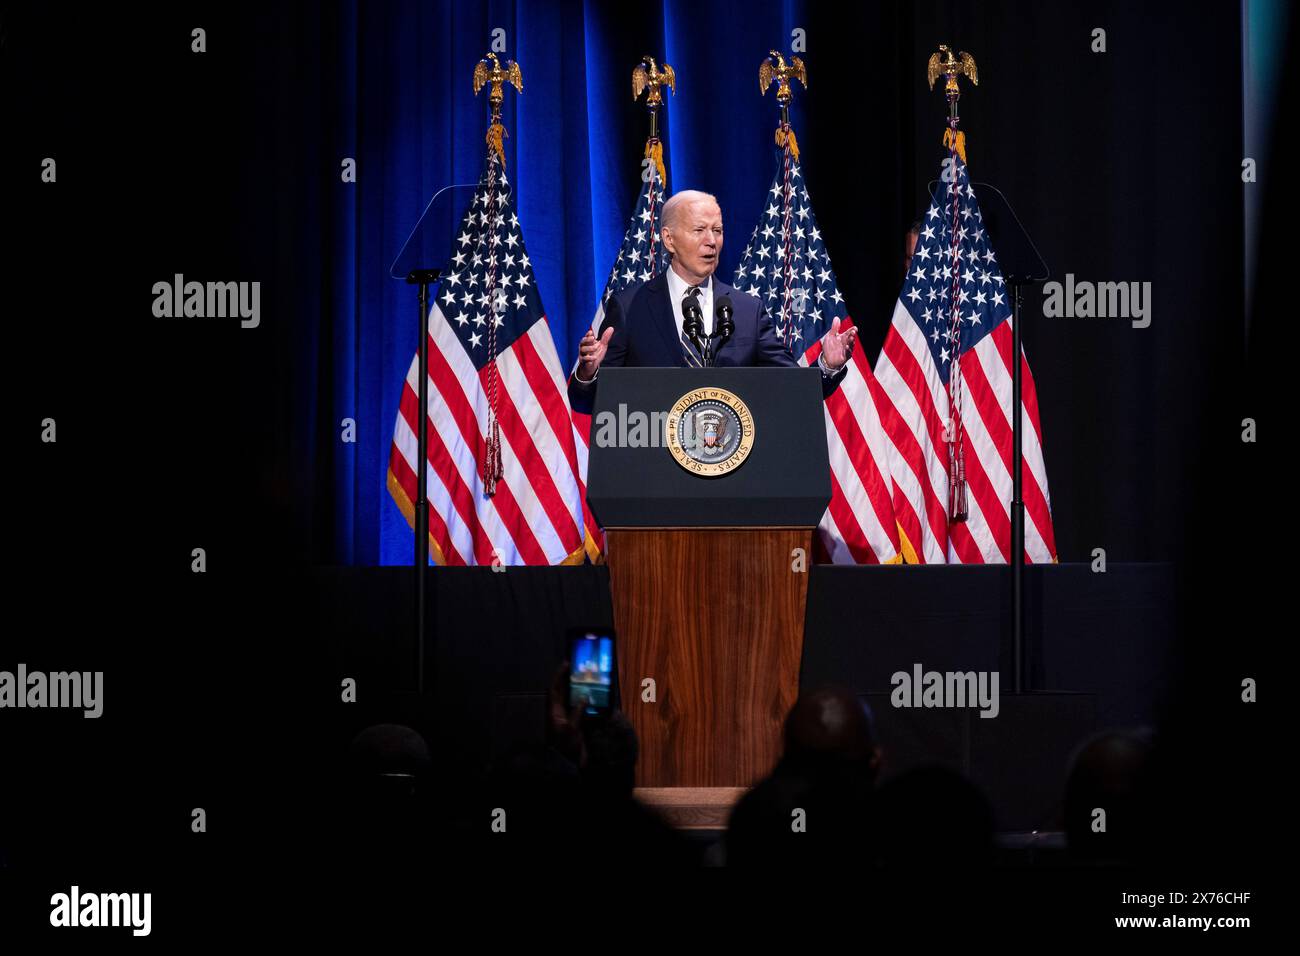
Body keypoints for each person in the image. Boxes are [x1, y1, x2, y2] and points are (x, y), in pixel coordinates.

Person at [568, 190, 858, 413]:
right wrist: (589, 374)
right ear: (669, 240)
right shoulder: (630, 308)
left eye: (717, 230)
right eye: (699, 230)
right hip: (655, 473)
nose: (711, 241)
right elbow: (587, 404)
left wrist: (826, 365)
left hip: (732, 476)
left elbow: (791, 390)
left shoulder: (747, 311)